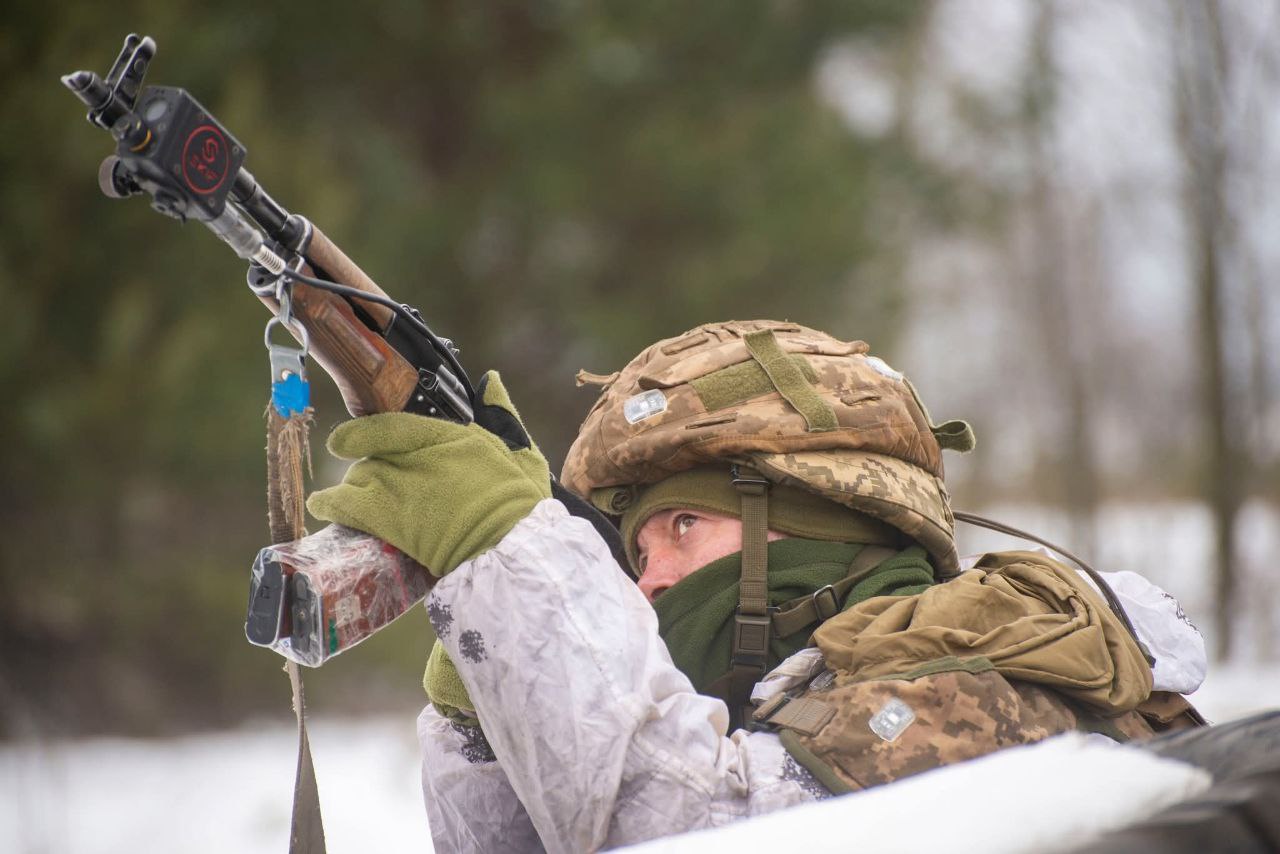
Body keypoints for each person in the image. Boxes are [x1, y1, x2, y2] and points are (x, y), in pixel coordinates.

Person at [305, 319, 1208, 853]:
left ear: (820, 528)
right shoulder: (799, 698)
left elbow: (687, 831)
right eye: (633, 547)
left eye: (682, 526)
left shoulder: (992, 681)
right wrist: (488, 704)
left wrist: (509, 555)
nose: (645, 581)